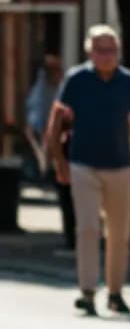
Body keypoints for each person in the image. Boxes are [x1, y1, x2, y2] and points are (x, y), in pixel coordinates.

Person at [45, 25, 130, 316]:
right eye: (100, 50)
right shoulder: (77, 80)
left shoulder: (129, 82)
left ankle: (115, 291)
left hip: (120, 164)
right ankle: (87, 291)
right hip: (83, 163)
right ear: (89, 52)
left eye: (111, 50)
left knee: (119, 232)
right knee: (88, 228)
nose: (106, 55)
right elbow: (56, 121)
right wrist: (59, 161)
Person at [26, 52, 75, 253]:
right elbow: (39, 120)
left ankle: (74, 235)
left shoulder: (65, 89)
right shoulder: (44, 92)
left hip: (68, 145)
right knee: (65, 193)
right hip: (56, 144)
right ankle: (70, 235)